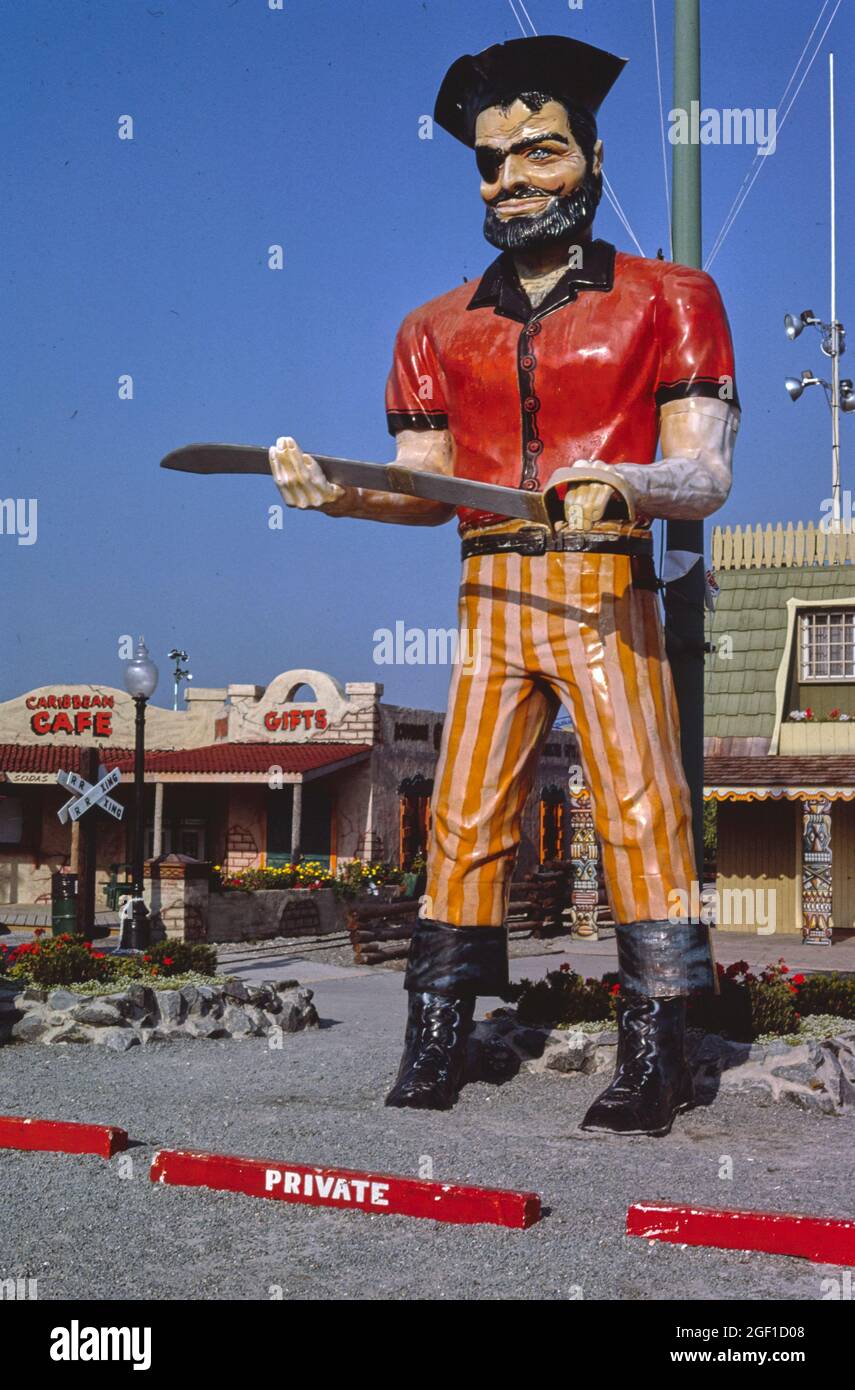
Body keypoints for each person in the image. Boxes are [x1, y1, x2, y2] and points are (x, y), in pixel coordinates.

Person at [269, 35, 739, 1136]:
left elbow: (706, 470)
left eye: (540, 150)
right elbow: (427, 488)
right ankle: (436, 1037)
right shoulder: (434, 328)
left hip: (603, 589)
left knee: (639, 809)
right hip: (489, 598)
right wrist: (337, 490)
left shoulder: (672, 298)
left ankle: (657, 1053)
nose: (514, 178)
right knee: (467, 816)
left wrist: (625, 481)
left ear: (593, 154)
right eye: (492, 161)